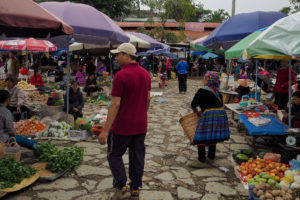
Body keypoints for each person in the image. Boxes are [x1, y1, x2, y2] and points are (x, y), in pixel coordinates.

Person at [98, 43, 151, 200]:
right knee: (137, 157)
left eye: (118, 54)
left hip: (122, 126)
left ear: (127, 55)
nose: (116, 58)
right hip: (140, 125)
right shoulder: (145, 74)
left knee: (114, 155)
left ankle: (121, 186)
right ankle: (135, 188)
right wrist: (141, 114)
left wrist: (106, 130)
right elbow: (147, 99)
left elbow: (115, 104)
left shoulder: (121, 75)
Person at [189, 71, 230, 168]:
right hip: (220, 116)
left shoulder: (202, 91)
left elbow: (193, 104)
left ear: (208, 80)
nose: (204, 80)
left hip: (208, 116)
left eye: (205, 78)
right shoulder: (217, 92)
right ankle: (211, 157)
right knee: (213, 136)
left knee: (201, 136)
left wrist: (197, 112)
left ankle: (201, 160)